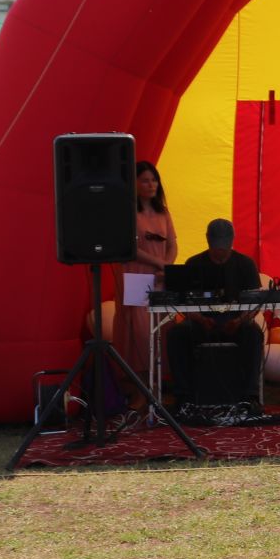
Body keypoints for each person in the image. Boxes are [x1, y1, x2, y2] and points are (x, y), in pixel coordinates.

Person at [164, 219, 265, 406]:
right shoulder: (194, 263)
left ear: (231, 243)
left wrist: (240, 320)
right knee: (177, 334)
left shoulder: (245, 264)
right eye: (216, 249)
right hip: (200, 321)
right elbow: (185, 302)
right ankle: (183, 397)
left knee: (253, 333)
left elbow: (255, 303)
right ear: (208, 242)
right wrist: (200, 319)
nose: (220, 254)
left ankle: (250, 396)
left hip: (236, 321)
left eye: (223, 250)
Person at [111, 161, 177, 403]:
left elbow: (172, 245)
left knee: (162, 330)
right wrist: (159, 264)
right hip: (137, 276)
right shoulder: (128, 212)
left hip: (160, 279)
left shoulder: (163, 212)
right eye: (145, 180)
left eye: (154, 180)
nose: (151, 185)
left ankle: (158, 388)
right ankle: (139, 389)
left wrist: (167, 265)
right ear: (135, 184)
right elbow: (129, 248)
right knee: (139, 333)